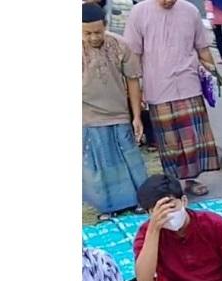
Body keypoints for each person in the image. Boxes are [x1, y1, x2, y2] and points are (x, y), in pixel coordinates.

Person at [124, 0, 222, 197]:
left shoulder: (190, 11)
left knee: (193, 138)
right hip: (157, 86)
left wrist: (213, 74)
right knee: (169, 142)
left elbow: (202, 48)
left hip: (189, 83)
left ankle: (191, 180)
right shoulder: (139, 12)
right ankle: (174, 183)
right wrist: (136, 91)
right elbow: (132, 55)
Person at [82, 2, 149, 221]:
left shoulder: (120, 45)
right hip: (88, 117)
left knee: (129, 157)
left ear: (106, 25)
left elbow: (132, 80)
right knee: (100, 163)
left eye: (98, 32)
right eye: (87, 33)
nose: (93, 37)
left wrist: (136, 115)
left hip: (119, 112)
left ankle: (140, 200)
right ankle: (107, 207)